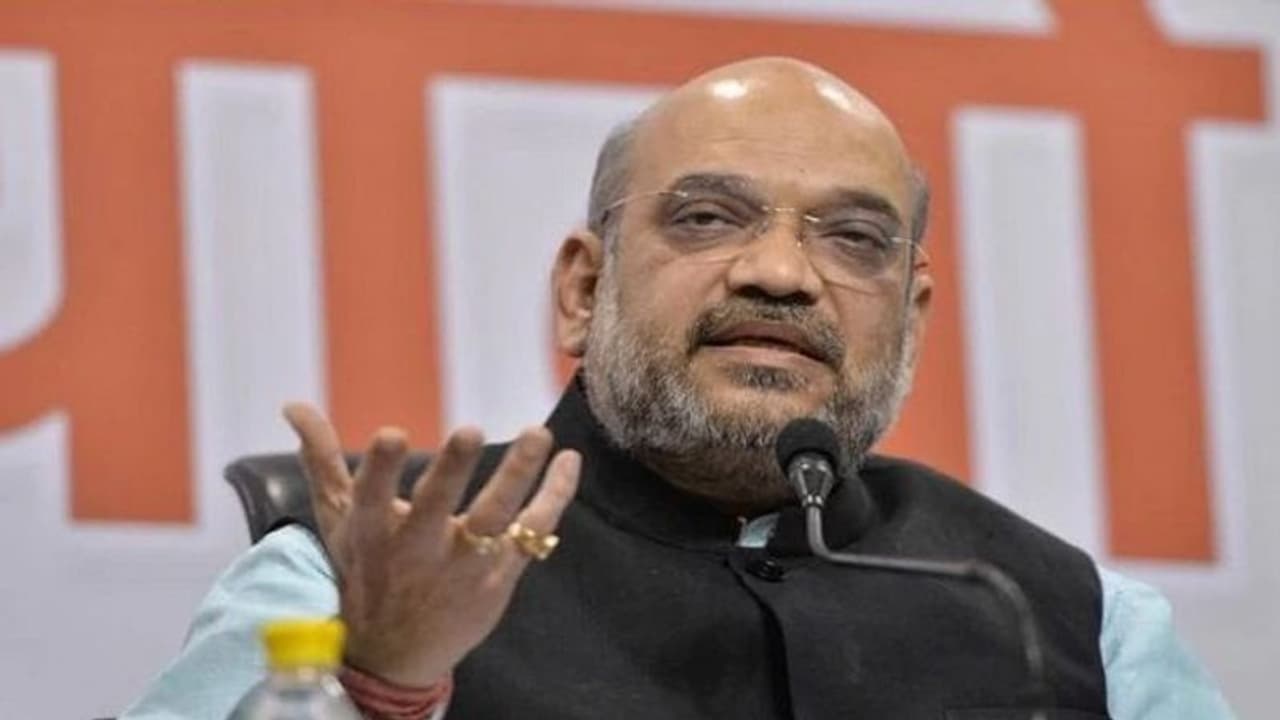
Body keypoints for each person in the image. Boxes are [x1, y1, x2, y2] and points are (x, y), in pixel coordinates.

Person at [122, 57, 1234, 719]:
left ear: (912, 314)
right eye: (706, 218)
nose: (780, 273)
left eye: (853, 239)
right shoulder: (355, 571)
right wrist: (381, 681)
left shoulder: (1072, 621)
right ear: (582, 287)